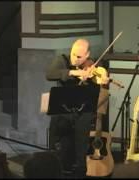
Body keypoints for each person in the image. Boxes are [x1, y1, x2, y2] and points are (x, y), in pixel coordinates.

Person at [45, 39, 110, 178]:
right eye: (73, 54)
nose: (74, 59)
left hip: (82, 113)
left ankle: (80, 172)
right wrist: (74, 73)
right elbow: (50, 74)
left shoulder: (93, 65)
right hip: (62, 112)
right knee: (59, 148)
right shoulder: (62, 60)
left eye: (79, 57)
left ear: (87, 55)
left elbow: (100, 79)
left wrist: (103, 79)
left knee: (81, 150)